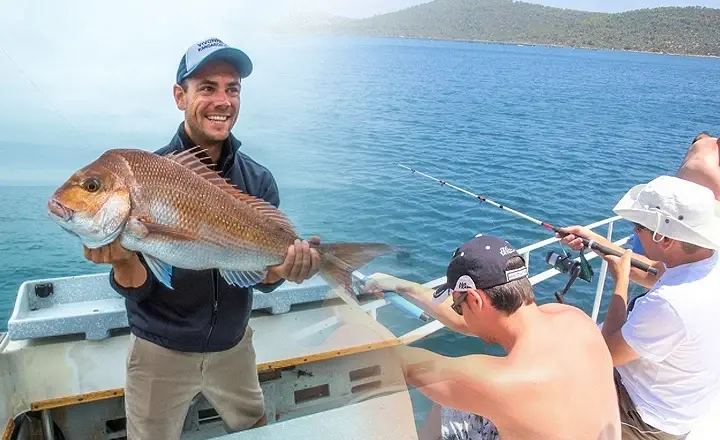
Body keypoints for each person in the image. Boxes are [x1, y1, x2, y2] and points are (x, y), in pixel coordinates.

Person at [82, 37, 322, 440]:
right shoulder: (147, 176)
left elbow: (260, 276)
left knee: (254, 431)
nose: (222, 100)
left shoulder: (258, 181)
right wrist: (123, 259)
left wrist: (283, 269)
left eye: (232, 89)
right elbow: (138, 289)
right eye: (207, 87)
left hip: (234, 350)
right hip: (160, 354)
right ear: (180, 96)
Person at [364, 235, 621, 440]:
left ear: (475, 299)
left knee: (447, 408)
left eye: (458, 305)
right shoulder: (573, 318)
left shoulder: (498, 381)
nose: (459, 313)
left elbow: (398, 360)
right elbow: (472, 322)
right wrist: (402, 285)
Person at [559, 175, 720, 439]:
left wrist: (620, 282)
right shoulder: (706, 262)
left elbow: (608, 352)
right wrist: (595, 241)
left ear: (664, 238)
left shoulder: (673, 302)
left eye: (638, 226)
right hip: (681, 401)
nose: (634, 232)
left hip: (644, 416)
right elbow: (655, 272)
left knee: (550, 366)